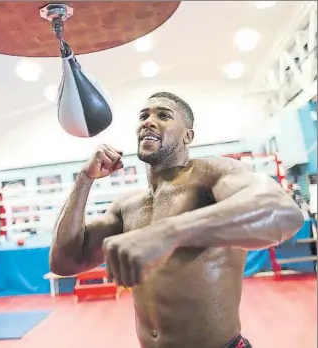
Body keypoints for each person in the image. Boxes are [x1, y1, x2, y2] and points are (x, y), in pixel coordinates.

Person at [50, 92, 304, 348]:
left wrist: (170, 232)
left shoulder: (211, 174)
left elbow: (284, 212)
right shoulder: (127, 206)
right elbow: (65, 261)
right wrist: (85, 178)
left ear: (188, 136)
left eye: (163, 115)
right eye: (143, 116)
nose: (148, 121)